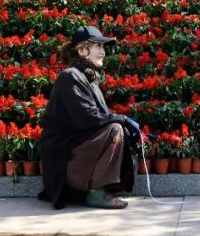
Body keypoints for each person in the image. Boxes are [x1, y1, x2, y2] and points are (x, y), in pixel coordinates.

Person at [39, 25, 139, 210]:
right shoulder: (70, 76)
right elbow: (88, 119)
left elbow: (96, 119)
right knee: (115, 129)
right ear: (83, 50)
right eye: (98, 47)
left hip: (75, 152)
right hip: (65, 157)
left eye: (103, 47)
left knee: (116, 127)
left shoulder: (87, 77)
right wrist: (122, 120)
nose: (103, 52)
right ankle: (96, 193)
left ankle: (97, 188)